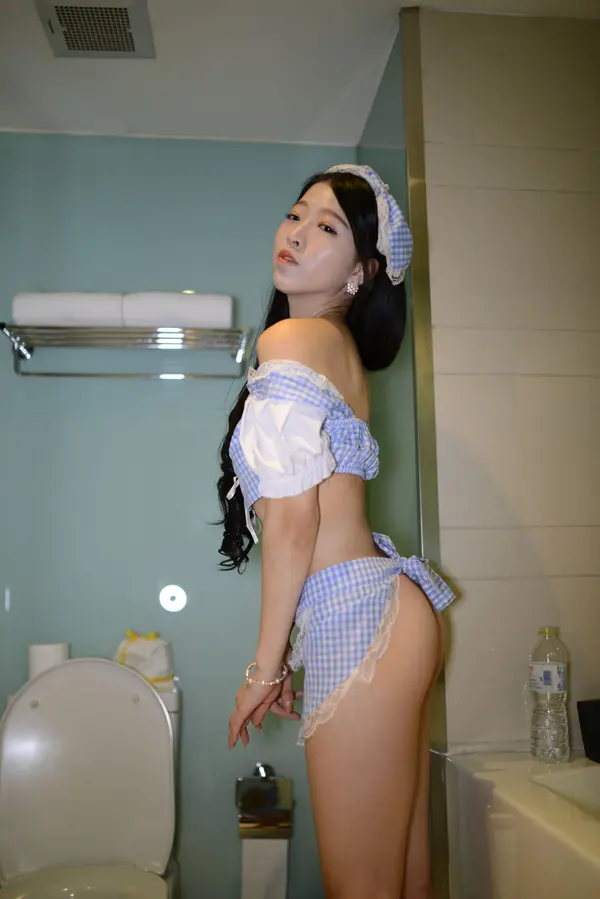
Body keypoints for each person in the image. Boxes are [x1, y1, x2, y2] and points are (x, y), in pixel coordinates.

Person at [217, 164, 455, 899]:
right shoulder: (328, 345)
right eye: (296, 214)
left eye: (326, 227)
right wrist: (290, 651)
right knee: (402, 881)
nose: (296, 232)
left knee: (364, 887)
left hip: (362, 615)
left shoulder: (295, 339)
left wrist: (264, 669)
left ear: (364, 270)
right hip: (378, 609)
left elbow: (295, 521)